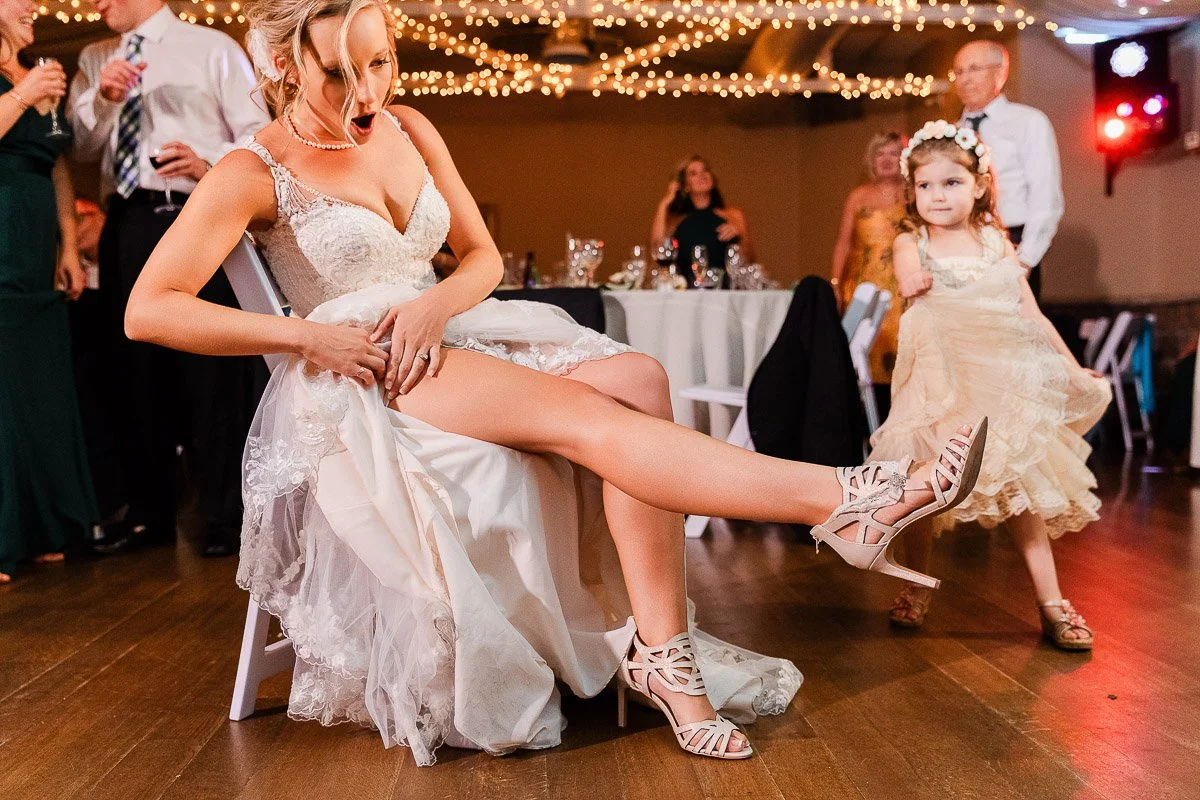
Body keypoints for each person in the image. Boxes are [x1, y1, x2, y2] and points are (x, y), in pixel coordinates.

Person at [124, 0, 986, 764]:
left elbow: (481, 256)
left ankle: (663, 652)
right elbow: (150, 310)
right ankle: (846, 499)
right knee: (586, 415)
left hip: (449, 320)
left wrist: (436, 306)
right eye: (342, 70)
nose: (368, 91)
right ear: (283, 63)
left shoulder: (412, 128)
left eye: (382, 62)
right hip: (375, 362)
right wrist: (309, 335)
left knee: (641, 376)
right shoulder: (251, 168)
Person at [871, 121, 1109, 651]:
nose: (937, 195)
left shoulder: (996, 244)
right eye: (926, 185)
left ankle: (1051, 603)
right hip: (939, 389)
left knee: (1022, 495)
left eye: (951, 183)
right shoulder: (914, 242)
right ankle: (916, 587)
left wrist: (1071, 368)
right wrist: (910, 280)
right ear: (913, 191)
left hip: (1002, 386)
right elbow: (907, 271)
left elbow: (1032, 314)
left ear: (979, 184)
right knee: (924, 495)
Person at [68, 0, 272, 557]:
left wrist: (207, 161)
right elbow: (82, 148)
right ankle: (149, 514)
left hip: (196, 215)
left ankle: (226, 518)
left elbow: (258, 137)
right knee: (132, 369)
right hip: (126, 221)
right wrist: (102, 101)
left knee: (210, 369)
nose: (95, 3)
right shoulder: (93, 58)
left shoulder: (212, 49)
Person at [0, 0, 99, 583]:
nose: (35, 5)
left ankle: (40, 528)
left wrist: (68, 246)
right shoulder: (27, 82)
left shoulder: (37, 71)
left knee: (39, 389)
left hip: (38, 248)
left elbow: (57, 165)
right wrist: (22, 93)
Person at [952, 40, 1063, 301]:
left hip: (1011, 238)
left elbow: (1045, 195)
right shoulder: (951, 131)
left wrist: (1025, 259)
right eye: (958, 72)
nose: (965, 79)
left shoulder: (1027, 122)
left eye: (974, 69)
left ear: (1000, 72)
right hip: (960, 242)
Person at [830, 130, 907, 410]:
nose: (886, 160)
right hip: (863, 284)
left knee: (901, 350)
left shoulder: (913, 193)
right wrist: (836, 284)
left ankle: (898, 412)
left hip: (902, 284)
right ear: (871, 159)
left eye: (893, 153)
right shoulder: (858, 196)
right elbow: (843, 243)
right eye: (880, 153)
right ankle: (867, 415)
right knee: (865, 350)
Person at [650, 155, 754, 283]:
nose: (702, 175)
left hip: (724, 290)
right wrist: (664, 203)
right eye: (694, 173)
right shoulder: (677, 221)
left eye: (705, 170)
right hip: (685, 291)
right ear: (685, 186)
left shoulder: (733, 215)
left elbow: (749, 259)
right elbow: (657, 248)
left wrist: (739, 236)